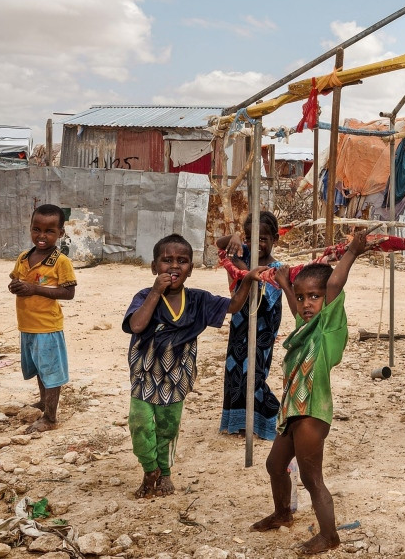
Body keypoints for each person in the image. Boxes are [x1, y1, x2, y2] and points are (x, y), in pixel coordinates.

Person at [251, 227, 369, 555]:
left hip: (312, 414)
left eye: (313, 297)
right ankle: (282, 513)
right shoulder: (307, 326)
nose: (306, 303)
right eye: (303, 298)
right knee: (275, 466)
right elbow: (295, 308)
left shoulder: (330, 328)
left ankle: (329, 535)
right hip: (293, 411)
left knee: (311, 477)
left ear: (327, 300)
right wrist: (288, 285)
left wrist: (352, 253)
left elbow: (333, 283)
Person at [123, 234, 258, 499]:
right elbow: (137, 326)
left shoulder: (197, 300)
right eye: (167, 260)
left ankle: (165, 472)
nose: (174, 266)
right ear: (154, 267)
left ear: (191, 270)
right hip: (144, 376)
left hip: (177, 377)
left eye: (182, 261)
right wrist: (154, 292)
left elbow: (233, 306)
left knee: (168, 428)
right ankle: (149, 468)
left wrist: (248, 280)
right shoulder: (144, 296)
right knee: (139, 423)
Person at [8, 204, 77, 434]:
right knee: (39, 368)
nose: (42, 236)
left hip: (47, 326)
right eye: (36, 229)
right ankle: (43, 402)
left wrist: (34, 289)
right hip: (27, 325)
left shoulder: (60, 261)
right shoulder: (24, 257)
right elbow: (16, 281)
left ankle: (50, 417)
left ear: (61, 233)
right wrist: (15, 286)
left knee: (51, 371)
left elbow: (68, 293)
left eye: (49, 231)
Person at [216, 211, 284, 440]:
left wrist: (242, 266)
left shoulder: (276, 267)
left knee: (254, 374)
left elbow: (266, 301)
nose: (256, 244)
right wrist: (234, 237)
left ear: (275, 238)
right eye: (249, 238)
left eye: (262, 239)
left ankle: (272, 414)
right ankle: (238, 422)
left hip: (263, 327)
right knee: (234, 370)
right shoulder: (243, 250)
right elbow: (220, 243)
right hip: (240, 323)